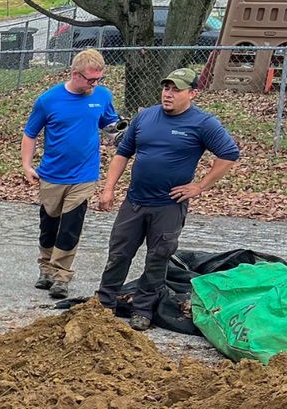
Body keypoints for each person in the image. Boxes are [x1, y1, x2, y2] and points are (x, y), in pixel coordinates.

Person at [95, 67, 241, 332]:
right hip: (135, 202)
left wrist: (199, 186)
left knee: (158, 257)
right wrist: (108, 188)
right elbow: (123, 153)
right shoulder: (146, 117)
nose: (169, 94)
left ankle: (143, 309)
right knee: (119, 253)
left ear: (193, 93)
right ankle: (104, 304)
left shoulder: (202, 123)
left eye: (177, 89)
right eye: (166, 88)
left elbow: (229, 154)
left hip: (168, 206)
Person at [20, 49, 120, 299]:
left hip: (84, 175)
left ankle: (62, 276)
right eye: (90, 79)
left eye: (98, 79)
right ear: (75, 75)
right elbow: (30, 133)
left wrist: (124, 136)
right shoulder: (49, 100)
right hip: (52, 174)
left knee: (71, 226)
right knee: (50, 224)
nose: (94, 84)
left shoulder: (102, 96)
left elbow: (111, 126)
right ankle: (45, 268)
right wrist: (27, 165)